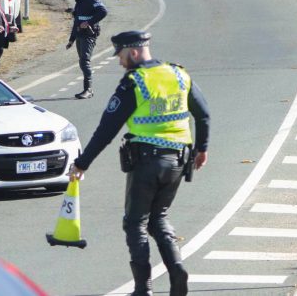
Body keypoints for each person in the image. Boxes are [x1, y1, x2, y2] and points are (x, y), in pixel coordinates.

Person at [69, 31, 210, 296]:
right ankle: (176, 267)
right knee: (159, 218)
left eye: (120, 56)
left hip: (147, 161)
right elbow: (203, 115)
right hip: (179, 161)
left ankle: (143, 288)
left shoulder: (135, 82)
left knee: (135, 223)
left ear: (133, 52)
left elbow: (106, 129)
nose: (120, 62)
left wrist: (82, 163)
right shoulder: (179, 74)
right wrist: (202, 149)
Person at [65, 0, 108, 99]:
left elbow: (103, 11)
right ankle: (87, 89)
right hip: (79, 35)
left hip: (89, 35)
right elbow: (77, 21)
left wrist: (89, 22)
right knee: (82, 61)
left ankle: (88, 90)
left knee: (85, 61)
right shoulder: (79, 0)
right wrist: (71, 40)